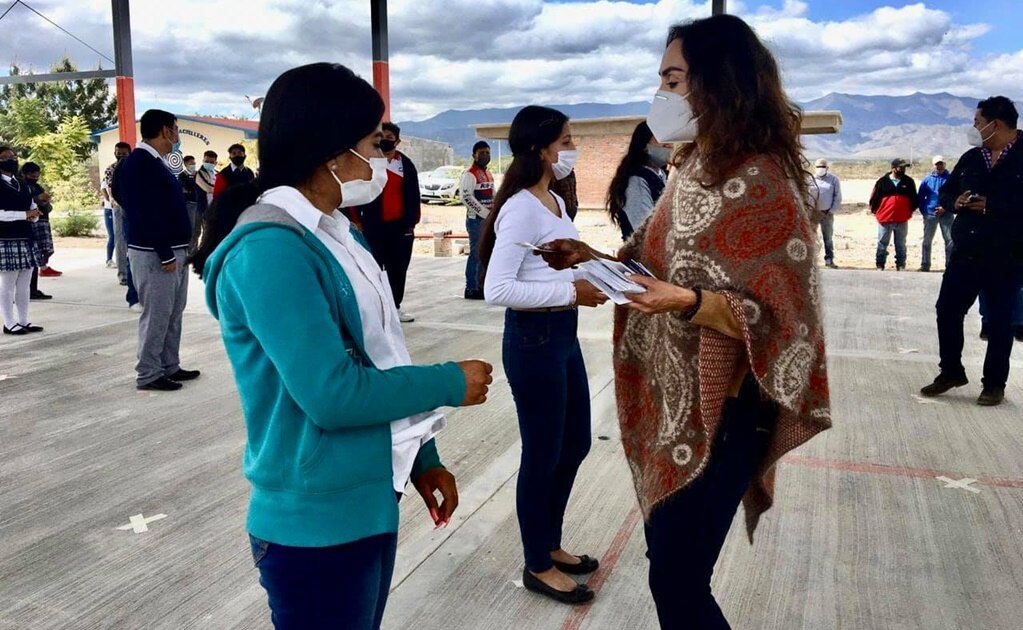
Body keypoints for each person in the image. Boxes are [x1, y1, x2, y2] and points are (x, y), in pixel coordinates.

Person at [537, 16, 831, 628]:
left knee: (676, 579)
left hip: (723, 415)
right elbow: (653, 257)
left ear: (719, 82)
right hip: (674, 402)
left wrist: (687, 303)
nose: (661, 95)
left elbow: (786, 319)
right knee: (669, 563)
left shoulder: (764, 180)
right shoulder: (690, 170)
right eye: (661, 79)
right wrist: (590, 256)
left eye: (673, 78)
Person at [191, 62, 493, 629]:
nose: (382, 159)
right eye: (373, 143)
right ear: (333, 153)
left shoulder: (337, 231)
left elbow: (381, 353)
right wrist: (450, 381)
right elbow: (331, 394)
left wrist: (422, 457)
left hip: (371, 493)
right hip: (315, 517)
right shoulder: (273, 251)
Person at [480, 105, 608, 606]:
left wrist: (592, 273)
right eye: (566, 140)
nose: (571, 148)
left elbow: (550, 269)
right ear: (540, 147)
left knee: (575, 443)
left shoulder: (552, 199)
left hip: (562, 336)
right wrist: (570, 293)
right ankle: (537, 563)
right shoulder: (519, 207)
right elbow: (498, 287)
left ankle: (550, 543)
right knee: (542, 453)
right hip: (533, 340)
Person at [920, 96, 1023, 407]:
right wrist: (957, 201)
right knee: (947, 310)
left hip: (1007, 254)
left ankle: (994, 384)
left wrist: (993, 206)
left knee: (1000, 320)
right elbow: (948, 191)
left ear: (997, 124)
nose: (974, 128)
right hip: (966, 252)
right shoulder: (972, 157)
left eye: (978, 123)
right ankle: (951, 371)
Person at [113, 110, 198, 391]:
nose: (176, 134)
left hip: (173, 248)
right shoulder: (138, 163)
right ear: (165, 130)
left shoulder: (155, 162)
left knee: (173, 311)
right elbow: (142, 211)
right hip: (155, 252)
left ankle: (169, 364)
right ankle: (149, 372)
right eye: (175, 129)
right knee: (158, 314)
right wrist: (164, 252)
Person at [352, 122, 421, 323]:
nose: (385, 141)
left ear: (397, 141)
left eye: (390, 138)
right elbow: (358, 191)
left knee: (398, 269)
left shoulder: (405, 164)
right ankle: (372, 309)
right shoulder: (368, 162)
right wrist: (356, 220)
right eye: (382, 137)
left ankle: (395, 307)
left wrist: (411, 223)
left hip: (400, 228)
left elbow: (414, 195)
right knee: (371, 268)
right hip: (373, 226)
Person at [0, 146, 44, 335]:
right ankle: (9, 322)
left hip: (26, 237)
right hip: (6, 238)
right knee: (8, 283)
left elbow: (33, 207)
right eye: (5, 157)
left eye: (13, 156)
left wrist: (34, 215)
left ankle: (24, 320)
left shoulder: (22, 183)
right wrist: (24, 214)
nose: (11, 159)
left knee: (25, 283)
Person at [606, 121, 669, 240]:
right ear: (644, 146)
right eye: (663, 143)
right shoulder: (636, 181)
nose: (669, 146)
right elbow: (644, 228)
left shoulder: (661, 174)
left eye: (669, 142)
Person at [458, 141, 494, 300]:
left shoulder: (488, 173)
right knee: (476, 254)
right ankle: (471, 288)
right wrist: (485, 213)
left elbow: (493, 194)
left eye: (487, 152)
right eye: (482, 153)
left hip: (488, 220)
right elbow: (466, 197)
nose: (485, 156)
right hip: (475, 221)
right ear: (474, 155)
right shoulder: (470, 174)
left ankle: (482, 285)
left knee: (486, 253)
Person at [869, 158, 918, 271]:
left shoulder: (909, 181)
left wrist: (908, 212)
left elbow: (914, 199)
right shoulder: (882, 182)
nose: (903, 169)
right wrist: (877, 213)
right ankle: (880, 264)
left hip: (902, 219)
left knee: (901, 244)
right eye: (901, 167)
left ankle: (900, 265)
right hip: (885, 219)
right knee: (882, 243)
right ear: (893, 168)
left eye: (905, 167)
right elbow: (874, 199)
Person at [20, 162, 56, 299]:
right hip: (29, 225)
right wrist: (36, 200)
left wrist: (45, 202)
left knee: (41, 255)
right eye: (31, 175)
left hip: (42, 223)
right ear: (23, 174)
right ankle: (29, 290)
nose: (35, 178)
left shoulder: (36, 186)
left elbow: (48, 207)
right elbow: (22, 203)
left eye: (37, 175)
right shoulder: (21, 186)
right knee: (32, 258)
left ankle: (33, 289)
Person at [102, 142, 132, 284]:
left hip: (134, 207)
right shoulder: (110, 169)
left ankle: (134, 271)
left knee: (135, 240)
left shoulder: (135, 168)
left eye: (123, 154)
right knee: (120, 240)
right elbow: (110, 190)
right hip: (119, 208)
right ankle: (123, 275)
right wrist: (118, 203)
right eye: (118, 153)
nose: (120, 156)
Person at [917, 155, 953, 272]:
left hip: (946, 213)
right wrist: (924, 211)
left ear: (944, 164)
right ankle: (925, 265)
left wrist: (946, 207)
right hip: (930, 214)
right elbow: (921, 197)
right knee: (927, 240)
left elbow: (955, 195)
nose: (939, 166)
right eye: (937, 164)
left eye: (941, 163)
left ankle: (950, 266)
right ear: (933, 165)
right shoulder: (927, 179)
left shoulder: (951, 179)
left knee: (949, 240)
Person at [809, 158, 841, 268]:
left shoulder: (833, 180)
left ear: (827, 168)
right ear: (815, 167)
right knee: (810, 237)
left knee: (828, 238)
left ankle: (829, 260)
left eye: (822, 167)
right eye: (818, 167)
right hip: (813, 214)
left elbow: (837, 196)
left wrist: (831, 211)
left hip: (827, 214)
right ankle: (811, 261)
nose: (820, 169)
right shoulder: (810, 179)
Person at [178, 155, 202, 253]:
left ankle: (196, 249)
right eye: (191, 163)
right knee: (191, 227)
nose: (193, 165)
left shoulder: (198, 174)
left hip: (199, 204)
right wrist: (191, 187)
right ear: (186, 164)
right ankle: (190, 250)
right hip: (189, 205)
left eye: (194, 163)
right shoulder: (182, 175)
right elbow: (185, 189)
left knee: (198, 228)